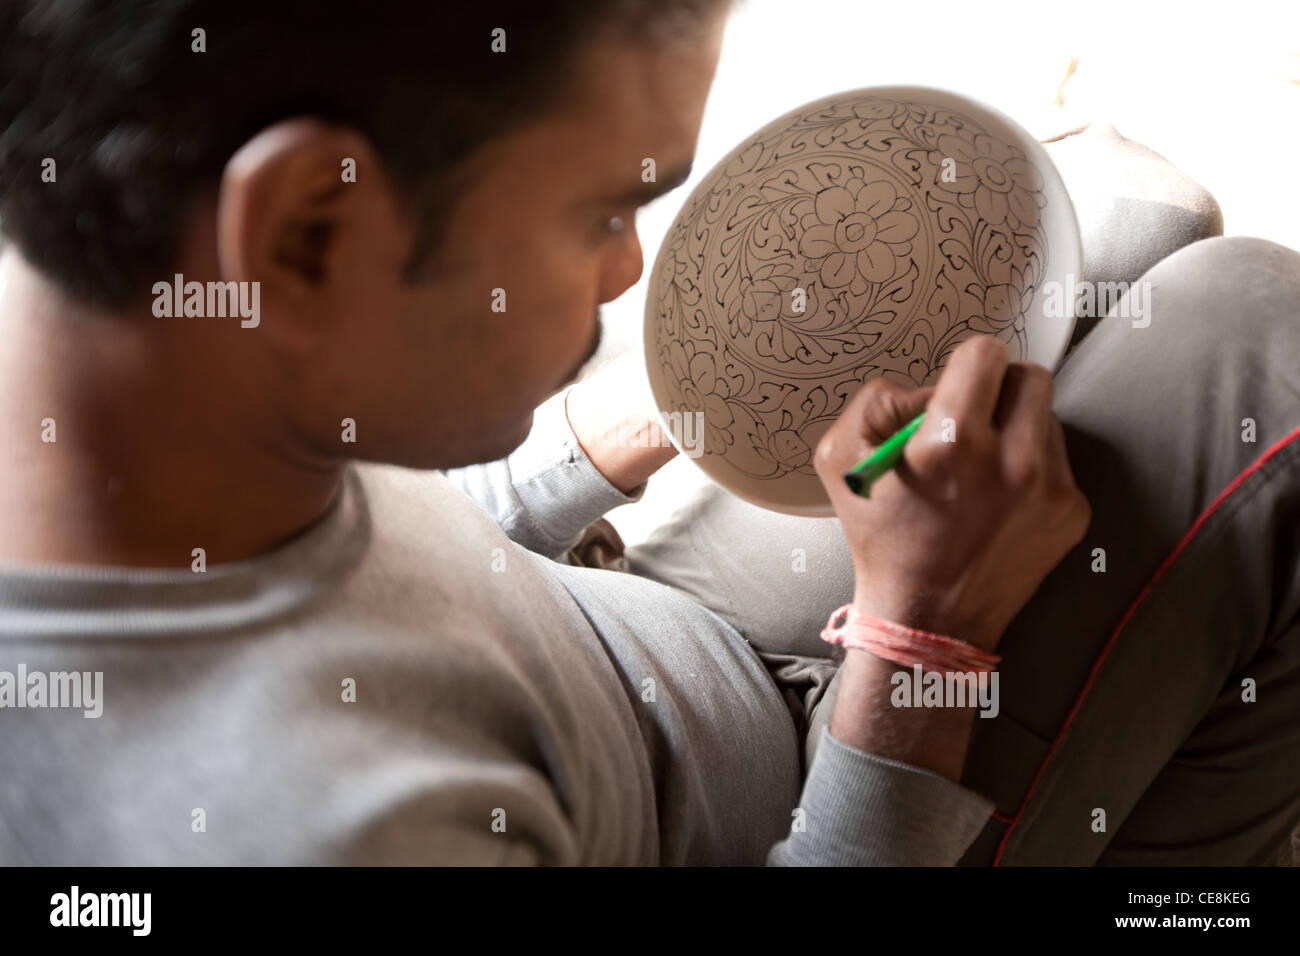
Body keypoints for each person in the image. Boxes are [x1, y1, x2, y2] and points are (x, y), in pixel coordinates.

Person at [0, 0, 1296, 866]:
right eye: (604, 212)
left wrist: (622, 431)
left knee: (1126, 217)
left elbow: (384, 568)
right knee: (1259, 341)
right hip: (834, 796)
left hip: (628, 617)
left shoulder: (124, 352)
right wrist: (924, 642)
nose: (630, 272)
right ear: (305, 231)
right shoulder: (331, 828)